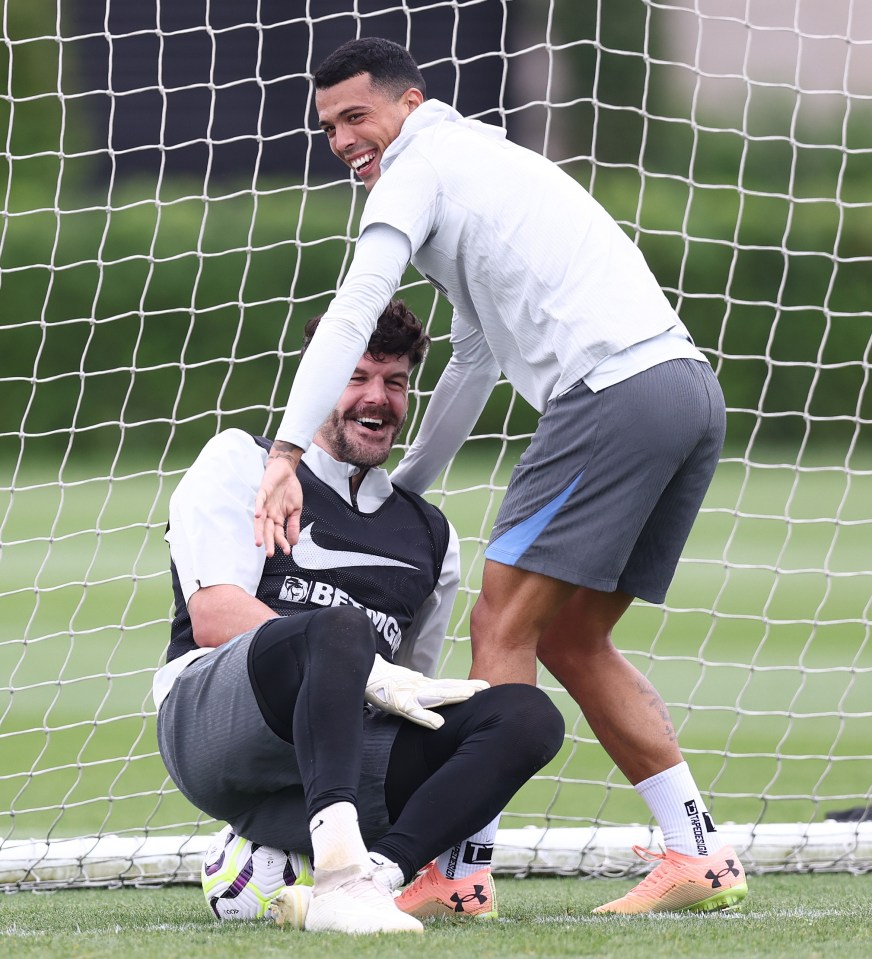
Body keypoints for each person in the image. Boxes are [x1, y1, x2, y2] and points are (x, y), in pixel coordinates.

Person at [252, 38, 748, 914]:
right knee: (570, 638)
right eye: (327, 126)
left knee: (499, 617)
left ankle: (458, 871)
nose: (341, 140)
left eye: (355, 117)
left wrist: (287, 452)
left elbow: (357, 304)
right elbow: (476, 354)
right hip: (687, 388)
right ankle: (697, 850)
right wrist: (407, 484)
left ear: (408, 105)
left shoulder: (418, 166)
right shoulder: (479, 156)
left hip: (613, 391)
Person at [154, 300, 565, 935]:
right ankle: (338, 874)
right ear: (317, 381)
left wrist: (382, 685)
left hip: (336, 766)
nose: (377, 398)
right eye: (356, 376)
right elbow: (212, 616)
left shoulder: (430, 535)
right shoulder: (243, 461)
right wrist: (361, 666)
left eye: (395, 381)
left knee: (526, 715)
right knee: (338, 628)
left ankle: (375, 878)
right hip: (214, 730)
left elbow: (409, 694)